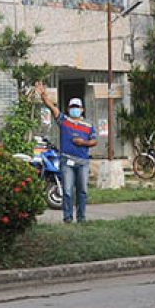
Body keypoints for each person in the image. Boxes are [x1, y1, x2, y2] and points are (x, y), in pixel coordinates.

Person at [36, 82, 97, 224]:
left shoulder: (88, 125)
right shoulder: (64, 121)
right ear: (69, 109)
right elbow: (51, 107)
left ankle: (81, 218)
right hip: (66, 161)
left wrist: (83, 143)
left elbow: (94, 141)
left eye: (77, 107)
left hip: (83, 162)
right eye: (72, 107)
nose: (75, 109)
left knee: (82, 191)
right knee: (68, 191)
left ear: (82, 109)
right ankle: (68, 218)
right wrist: (43, 95)